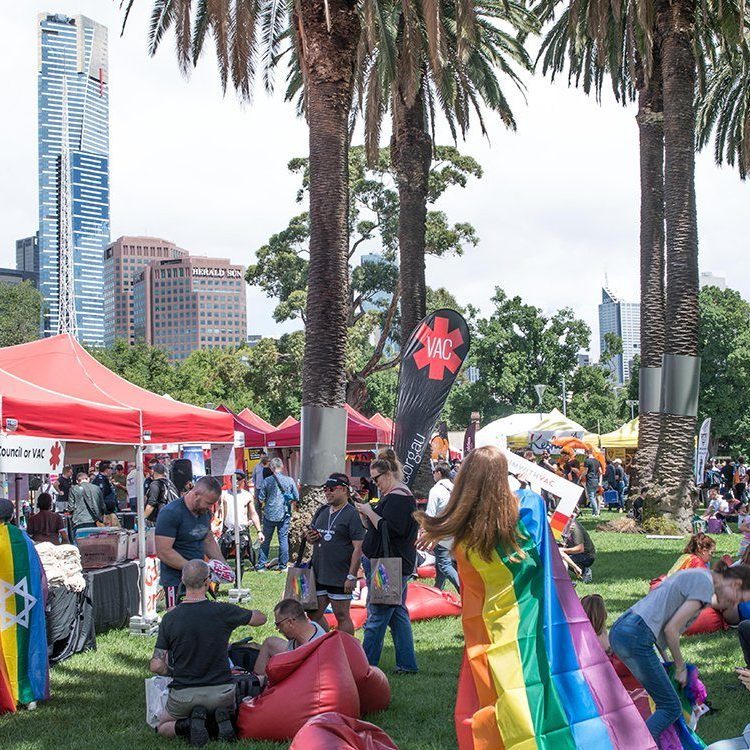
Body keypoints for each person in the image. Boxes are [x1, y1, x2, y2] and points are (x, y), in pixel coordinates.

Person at [416, 445, 656, 749]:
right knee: (538, 687)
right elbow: (545, 554)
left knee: (499, 693)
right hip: (531, 619)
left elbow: (469, 579)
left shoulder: (464, 529)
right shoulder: (527, 509)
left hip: (490, 626)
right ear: (502, 476)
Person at [610, 560, 750, 742]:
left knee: (668, 702)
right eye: (738, 598)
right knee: (670, 707)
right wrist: (680, 667)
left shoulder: (701, 578)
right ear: (736, 584)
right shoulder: (705, 584)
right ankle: (639, 745)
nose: (735, 603)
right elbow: (671, 630)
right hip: (635, 635)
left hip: (627, 632)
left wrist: (669, 666)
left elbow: (659, 624)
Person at [149, 559, 267, 744]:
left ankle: (187, 725)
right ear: (208, 581)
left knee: (161, 726)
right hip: (222, 693)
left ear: (182, 580)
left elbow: (156, 665)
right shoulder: (223, 610)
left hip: (184, 695)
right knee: (227, 706)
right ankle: (217, 721)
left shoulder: (170, 618)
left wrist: (171, 672)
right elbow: (260, 619)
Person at [354, 448, 418, 674]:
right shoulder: (392, 497)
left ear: (388, 474)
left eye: (376, 479)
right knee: (397, 615)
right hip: (390, 564)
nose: (375, 484)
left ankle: (365, 667)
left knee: (377, 615)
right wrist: (365, 514)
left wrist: (370, 512)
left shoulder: (399, 498)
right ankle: (407, 664)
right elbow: (376, 527)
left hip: (390, 566)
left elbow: (391, 529)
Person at [155, 476, 229, 608]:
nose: (210, 507)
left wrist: (223, 565)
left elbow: (208, 539)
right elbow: (164, 552)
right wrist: (193, 569)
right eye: (208, 503)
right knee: (177, 621)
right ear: (196, 494)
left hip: (199, 580)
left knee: (199, 618)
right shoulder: (171, 513)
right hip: (175, 580)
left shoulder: (204, 513)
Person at [306, 473, 365, 635]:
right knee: (314, 613)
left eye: (332, 489)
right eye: (325, 489)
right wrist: (309, 538)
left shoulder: (352, 513)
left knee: (341, 615)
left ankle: (347, 650)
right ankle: (326, 643)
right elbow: (312, 537)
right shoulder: (322, 510)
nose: (327, 492)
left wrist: (352, 576)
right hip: (319, 572)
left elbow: (358, 548)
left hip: (340, 575)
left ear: (345, 490)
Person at [254, 598, 327, 678]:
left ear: (290, 622)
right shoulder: (306, 628)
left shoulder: (316, 649)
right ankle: (256, 679)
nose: (277, 629)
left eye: (278, 624)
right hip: (294, 656)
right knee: (269, 642)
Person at [256, 458, 298, 572]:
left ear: (271, 467)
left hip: (269, 514)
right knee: (283, 540)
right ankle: (283, 565)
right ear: (282, 466)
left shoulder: (267, 481)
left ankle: (261, 565)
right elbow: (296, 497)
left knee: (265, 540)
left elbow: (260, 499)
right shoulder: (289, 480)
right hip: (284, 514)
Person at [424, 462, 459, 592]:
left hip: (441, 530)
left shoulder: (436, 490)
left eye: (434, 472)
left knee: (444, 564)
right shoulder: (454, 488)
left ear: (439, 473)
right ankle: (438, 590)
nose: (433, 475)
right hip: (454, 528)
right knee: (441, 562)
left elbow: (430, 514)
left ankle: (464, 591)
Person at [221, 471, 263, 538]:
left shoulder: (247, 495)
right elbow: (219, 514)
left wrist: (259, 531)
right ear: (230, 480)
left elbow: (253, 514)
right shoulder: (224, 495)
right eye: (234, 479)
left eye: (239, 479)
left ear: (243, 480)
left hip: (243, 533)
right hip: (227, 532)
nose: (236, 481)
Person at [67, 472, 106, 537]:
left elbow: (70, 507)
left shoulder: (74, 489)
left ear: (77, 481)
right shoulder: (97, 488)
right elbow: (103, 506)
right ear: (88, 479)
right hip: (94, 521)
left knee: (79, 543)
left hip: (79, 521)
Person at [561, 513, 596, 583]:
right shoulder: (565, 527)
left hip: (587, 556)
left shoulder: (574, 527)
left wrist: (563, 550)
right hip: (578, 554)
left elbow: (580, 549)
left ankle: (584, 571)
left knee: (560, 557)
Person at [583, 450, 602, 516]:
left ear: (587, 453)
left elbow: (585, 471)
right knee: (594, 496)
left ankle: (596, 512)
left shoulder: (587, 461)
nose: (584, 454)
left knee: (591, 496)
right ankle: (594, 512)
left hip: (590, 479)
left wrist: (581, 475)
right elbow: (600, 471)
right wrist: (600, 481)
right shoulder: (597, 461)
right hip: (596, 479)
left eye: (585, 453)